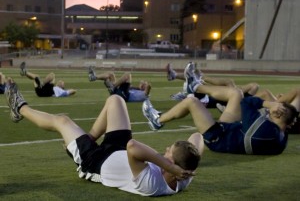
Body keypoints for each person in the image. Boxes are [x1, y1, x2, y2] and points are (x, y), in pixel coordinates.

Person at [4, 78, 203, 197]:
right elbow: (196, 137)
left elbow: (133, 147)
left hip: (95, 163)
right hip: (118, 150)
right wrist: (182, 166)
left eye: (168, 152)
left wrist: (169, 167)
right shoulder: (182, 178)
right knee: (115, 100)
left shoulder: (153, 185)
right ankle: (86, 138)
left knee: (62, 121)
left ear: (170, 164)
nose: (165, 149)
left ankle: (20, 108)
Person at [142, 62, 299, 155]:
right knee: (236, 93)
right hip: (233, 133)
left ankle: (158, 119)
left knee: (191, 102)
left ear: (279, 115)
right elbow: (284, 122)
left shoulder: (266, 128)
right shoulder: (280, 138)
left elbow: (247, 102)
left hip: (218, 138)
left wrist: (269, 104)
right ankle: (195, 85)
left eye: (274, 111)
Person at [166, 62, 259, 111]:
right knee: (230, 84)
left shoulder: (243, 104)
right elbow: (254, 86)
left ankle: (197, 81)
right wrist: (239, 89)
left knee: (227, 82)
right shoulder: (247, 97)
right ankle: (179, 78)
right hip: (230, 98)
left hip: (221, 101)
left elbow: (253, 87)